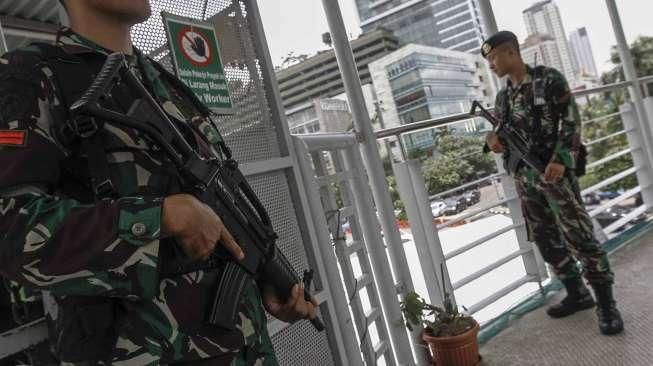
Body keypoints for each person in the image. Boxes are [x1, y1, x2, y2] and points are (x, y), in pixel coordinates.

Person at [0, 0, 317, 364]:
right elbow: (11, 230)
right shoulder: (28, 74)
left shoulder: (163, 83)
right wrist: (160, 218)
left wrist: (259, 278)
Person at [481, 31, 624, 335]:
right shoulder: (503, 96)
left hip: (553, 173)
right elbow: (500, 134)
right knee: (545, 238)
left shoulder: (549, 79)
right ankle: (577, 293)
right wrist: (493, 142)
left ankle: (607, 305)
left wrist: (561, 158)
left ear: (510, 53)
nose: (491, 64)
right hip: (525, 179)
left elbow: (571, 120)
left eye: (493, 57)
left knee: (580, 236)